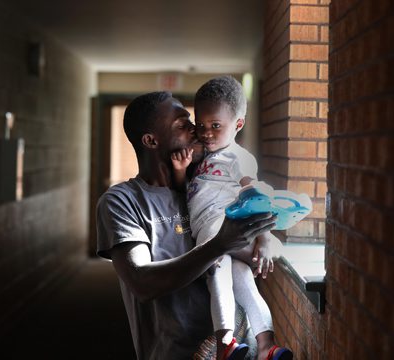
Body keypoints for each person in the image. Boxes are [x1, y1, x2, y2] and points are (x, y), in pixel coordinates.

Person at [96, 91, 277, 360]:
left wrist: (265, 238)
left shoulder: (208, 185)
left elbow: (252, 244)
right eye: (183, 125)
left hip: (242, 351)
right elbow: (142, 282)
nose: (197, 131)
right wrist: (219, 245)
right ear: (151, 140)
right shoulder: (122, 201)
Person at [171, 76, 293, 360]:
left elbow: (258, 194)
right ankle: (266, 346)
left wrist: (263, 238)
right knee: (239, 280)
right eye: (201, 126)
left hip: (223, 234)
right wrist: (182, 171)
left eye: (216, 126)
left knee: (219, 273)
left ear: (238, 125)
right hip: (216, 241)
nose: (207, 133)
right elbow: (186, 197)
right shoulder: (205, 161)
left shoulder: (239, 158)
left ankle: (224, 341)